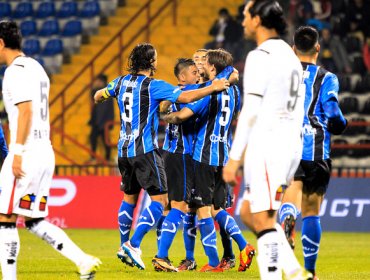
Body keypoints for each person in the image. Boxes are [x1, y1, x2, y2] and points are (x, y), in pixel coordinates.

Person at [93, 43, 230, 270]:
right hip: (145, 151)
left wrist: (104, 95)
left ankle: (123, 245)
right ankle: (134, 245)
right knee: (162, 201)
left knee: (129, 199)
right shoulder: (153, 86)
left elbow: (98, 95)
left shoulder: (119, 82)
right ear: (151, 62)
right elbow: (186, 98)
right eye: (155, 58)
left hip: (123, 151)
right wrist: (212, 88)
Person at [0, 21, 101, 280]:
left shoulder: (14, 71)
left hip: (27, 150)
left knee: (5, 217)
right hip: (45, 150)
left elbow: (26, 111)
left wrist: (18, 151)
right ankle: (83, 261)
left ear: (1, 43)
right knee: (34, 220)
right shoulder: (36, 67)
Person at [222, 1, 312, 279]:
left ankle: (273, 276)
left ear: (259, 20)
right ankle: (296, 273)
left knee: (262, 218)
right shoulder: (289, 53)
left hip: (269, 144)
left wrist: (234, 158)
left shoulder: (260, 55)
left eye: (247, 16)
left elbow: (250, 111)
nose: (244, 21)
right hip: (287, 144)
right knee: (250, 213)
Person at [163, 49, 255, 272]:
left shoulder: (207, 93)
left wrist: (164, 117)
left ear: (212, 67)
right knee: (214, 207)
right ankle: (226, 253)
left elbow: (183, 115)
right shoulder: (234, 91)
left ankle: (221, 258)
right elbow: (233, 75)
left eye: (204, 61)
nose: (200, 65)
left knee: (205, 209)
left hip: (203, 155)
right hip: (224, 155)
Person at [278, 26, 348, 280]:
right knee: (312, 211)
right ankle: (311, 271)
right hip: (316, 148)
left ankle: (286, 216)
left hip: (287, 145)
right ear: (318, 48)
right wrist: (340, 124)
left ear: (293, 48)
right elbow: (332, 111)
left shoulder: (283, 75)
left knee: (291, 193)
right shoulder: (327, 77)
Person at [88, 73, 114, 163]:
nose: (96, 82)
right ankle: (94, 157)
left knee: (105, 140)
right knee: (93, 139)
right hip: (97, 121)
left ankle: (107, 158)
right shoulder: (100, 91)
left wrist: (105, 123)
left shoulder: (105, 92)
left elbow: (105, 109)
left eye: (98, 81)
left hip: (103, 122)